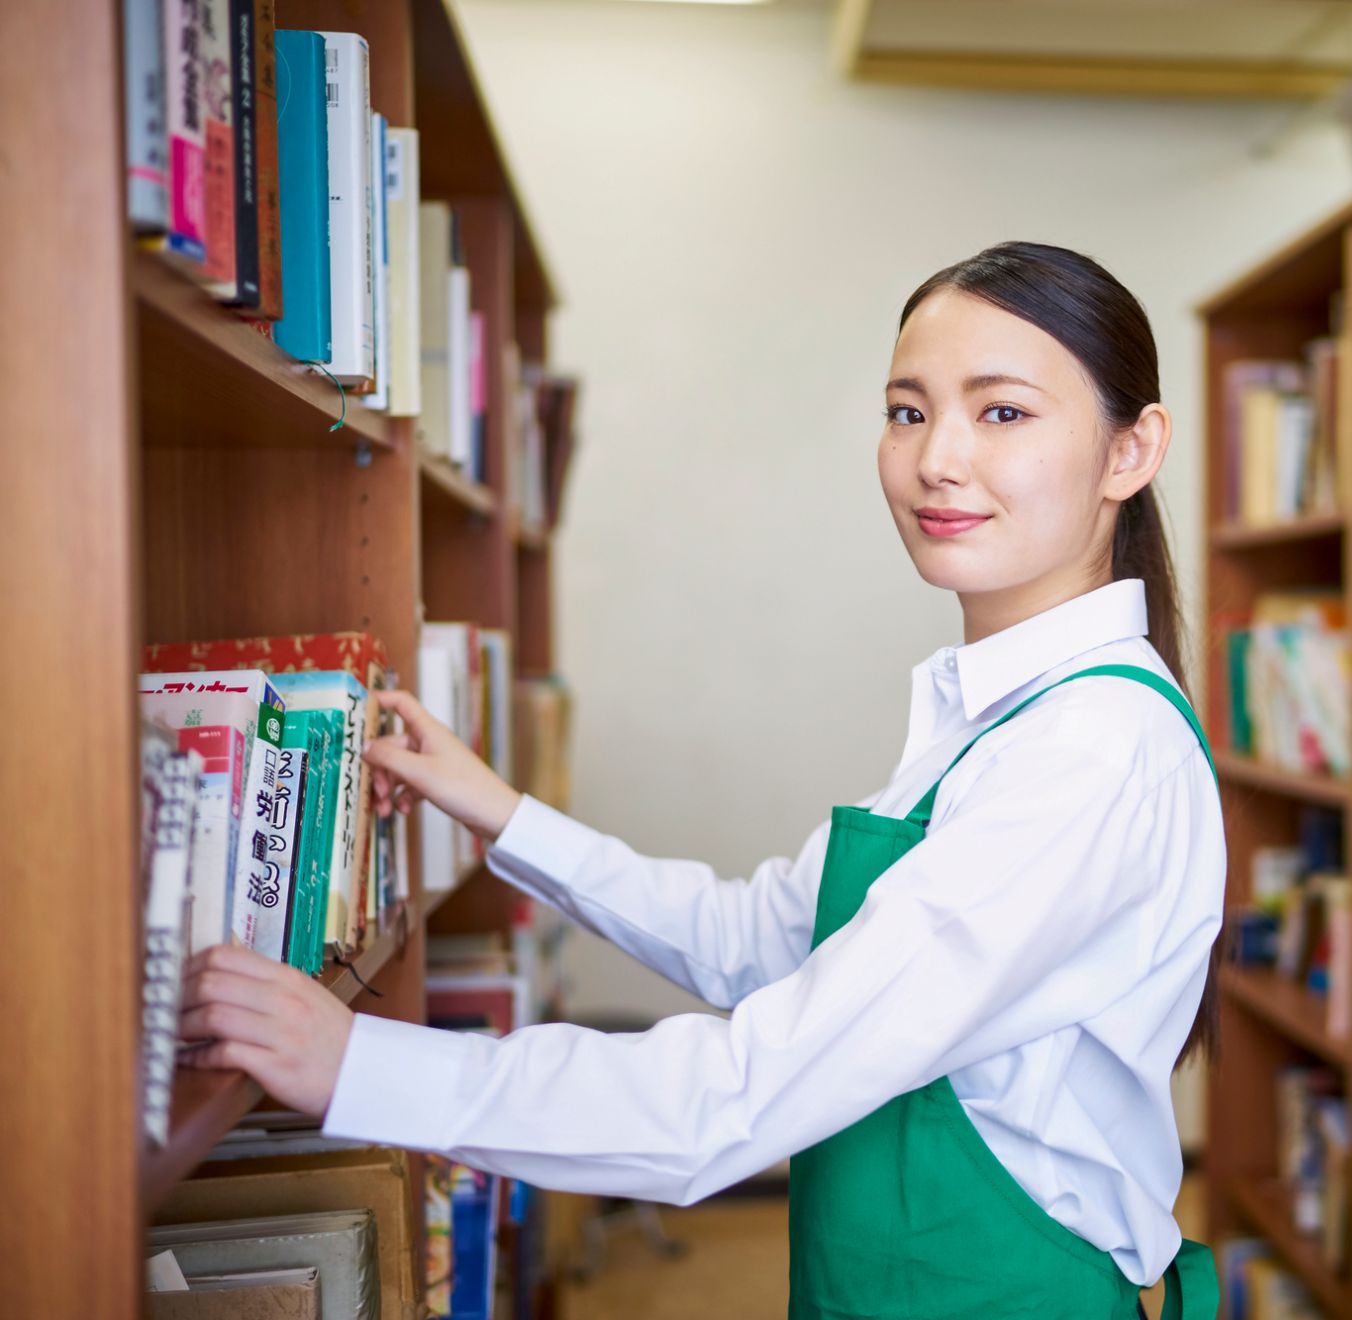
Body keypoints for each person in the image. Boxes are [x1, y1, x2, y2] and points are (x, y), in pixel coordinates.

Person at [179, 241, 1226, 1319]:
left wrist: (358, 1065)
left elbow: (742, 1093)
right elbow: (757, 941)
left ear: (1130, 450)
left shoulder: (1089, 752)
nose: (937, 459)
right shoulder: (996, 717)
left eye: (1002, 412)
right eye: (907, 412)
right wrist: (502, 813)